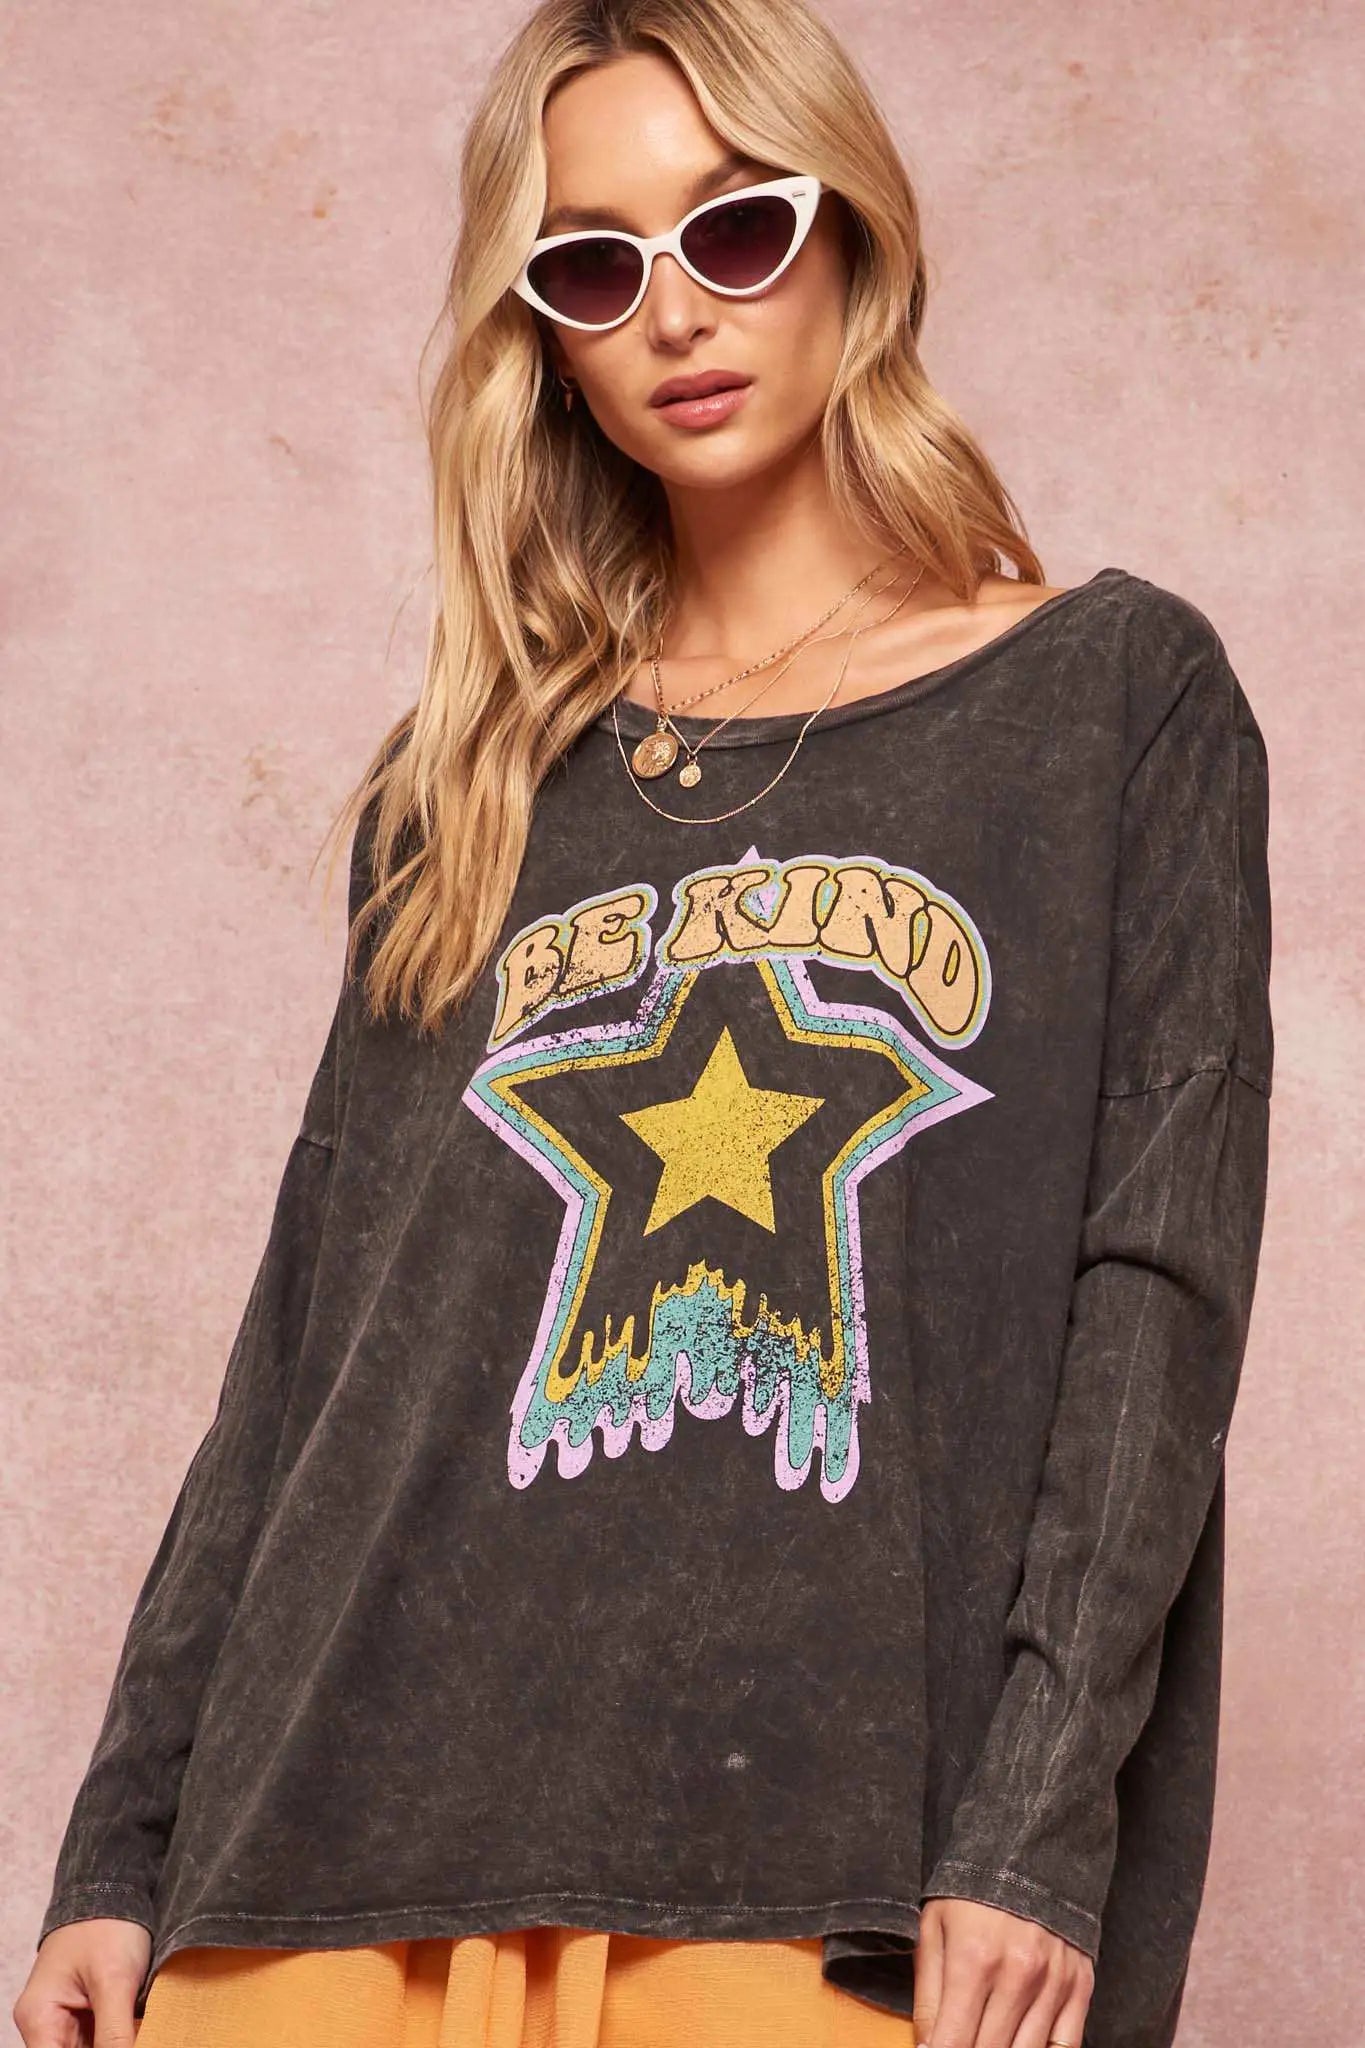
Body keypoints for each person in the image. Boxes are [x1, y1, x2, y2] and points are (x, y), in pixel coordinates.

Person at [13, 2, 1274, 2046]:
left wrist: (1034, 1826)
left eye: (737, 229)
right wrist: (121, 1853)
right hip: (319, 1868)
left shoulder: (1106, 702)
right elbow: (307, 1346)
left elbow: (1154, 1295)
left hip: (817, 1866)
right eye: (593, 266)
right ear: (546, 341)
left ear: (851, 236)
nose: (676, 311)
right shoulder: (468, 782)